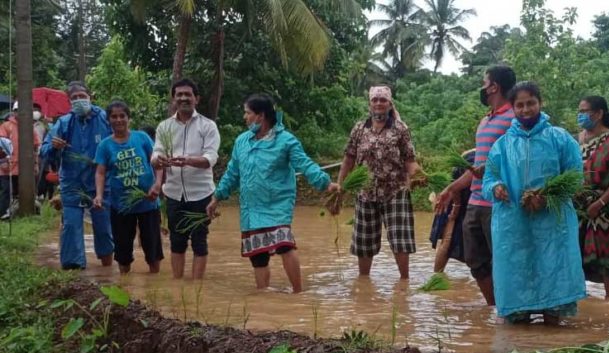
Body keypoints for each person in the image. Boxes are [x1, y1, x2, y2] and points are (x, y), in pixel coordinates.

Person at [207, 94, 339, 293]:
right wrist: (217, 197)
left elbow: (304, 163)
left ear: (260, 116)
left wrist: (326, 183)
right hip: (251, 207)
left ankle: (298, 293)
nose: (245, 117)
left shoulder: (285, 141)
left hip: (277, 204)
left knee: (284, 244)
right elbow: (232, 174)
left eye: (247, 113)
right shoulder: (242, 141)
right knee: (258, 256)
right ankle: (263, 295)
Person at [482, 81, 586, 324]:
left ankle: (551, 337)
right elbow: (489, 178)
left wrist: (548, 197)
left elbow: (575, 177)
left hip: (552, 222)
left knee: (553, 275)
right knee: (516, 281)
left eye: (531, 103)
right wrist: (496, 188)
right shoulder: (502, 145)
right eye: (520, 105)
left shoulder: (559, 138)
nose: (526, 109)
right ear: (512, 108)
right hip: (513, 224)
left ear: (540, 103)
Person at [435, 65, 516, 305]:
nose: (482, 87)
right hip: (475, 201)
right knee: (475, 260)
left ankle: (510, 309)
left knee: (503, 261)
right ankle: (495, 307)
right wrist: (452, 189)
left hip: (499, 203)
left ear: (494, 86)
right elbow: (477, 168)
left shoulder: (514, 119)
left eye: (484, 82)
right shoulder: (485, 121)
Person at [335, 86, 420, 279]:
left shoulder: (400, 128)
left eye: (383, 100)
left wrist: (419, 176)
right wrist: (340, 187)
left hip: (395, 192)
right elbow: (348, 159)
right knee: (364, 243)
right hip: (366, 193)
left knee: (400, 240)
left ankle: (404, 280)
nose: (379, 103)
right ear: (370, 104)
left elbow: (409, 160)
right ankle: (364, 282)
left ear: (390, 104)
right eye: (375, 100)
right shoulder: (359, 128)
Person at [40, 81, 114, 270]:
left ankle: (108, 268)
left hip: (100, 183)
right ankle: (74, 271)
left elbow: (119, 142)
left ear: (90, 97)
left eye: (82, 96)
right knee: (72, 226)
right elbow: (44, 150)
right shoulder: (64, 123)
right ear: (69, 101)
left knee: (104, 226)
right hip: (72, 183)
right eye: (74, 98)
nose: (79, 100)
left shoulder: (105, 119)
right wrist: (54, 147)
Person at [151, 78, 220, 279]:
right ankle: (178, 284)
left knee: (200, 240)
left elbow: (210, 158)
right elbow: (155, 154)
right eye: (179, 95)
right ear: (173, 99)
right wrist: (158, 160)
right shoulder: (164, 127)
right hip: (173, 193)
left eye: (187, 94)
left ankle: (195, 287)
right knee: (177, 240)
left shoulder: (208, 126)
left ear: (196, 99)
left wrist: (188, 160)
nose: (183, 98)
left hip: (201, 194)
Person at [94, 101, 164, 274]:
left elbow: (157, 164)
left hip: (148, 202)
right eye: (114, 117)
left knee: (152, 250)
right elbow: (100, 173)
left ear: (128, 118)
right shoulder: (105, 145)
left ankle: (154, 284)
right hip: (121, 206)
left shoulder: (142, 138)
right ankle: (125, 287)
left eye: (122, 116)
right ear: (108, 120)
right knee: (123, 252)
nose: (118, 120)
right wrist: (99, 195)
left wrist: (157, 184)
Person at [574, 96, 609, 299]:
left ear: (599, 113)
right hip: (579, 207)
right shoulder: (578, 139)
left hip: (606, 208)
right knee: (575, 256)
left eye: (584, 111)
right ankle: (582, 301)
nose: (581, 115)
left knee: (607, 259)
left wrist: (601, 202)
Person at [0, 102, 41, 219]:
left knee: (23, 192)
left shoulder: (29, 127)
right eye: (18, 110)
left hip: (24, 168)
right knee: (6, 191)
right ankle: (2, 214)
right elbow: (1, 144)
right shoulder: (6, 126)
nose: (20, 113)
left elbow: (35, 146)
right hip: (7, 166)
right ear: (14, 111)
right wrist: (2, 161)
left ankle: (20, 214)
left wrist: (36, 163)